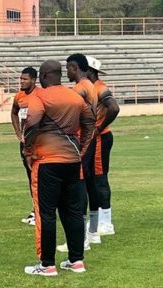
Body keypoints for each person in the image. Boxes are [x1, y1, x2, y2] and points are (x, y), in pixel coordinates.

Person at [23, 60, 95, 276]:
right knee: (73, 212)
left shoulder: (39, 96)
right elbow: (90, 124)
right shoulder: (75, 96)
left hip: (47, 162)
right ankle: (76, 261)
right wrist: (81, 151)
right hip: (72, 162)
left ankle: (47, 265)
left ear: (44, 76)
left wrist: (28, 151)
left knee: (46, 213)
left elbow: (32, 123)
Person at [57, 53, 98, 252]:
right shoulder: (90, 85)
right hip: (87, 139)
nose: (67, 71)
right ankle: (86, 236)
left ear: (75, 67)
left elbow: (69, 112)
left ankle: (80, 239)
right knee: (81, 186)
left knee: (76, 188)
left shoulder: (80, 88)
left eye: (68, 68)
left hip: (80, 141)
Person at [86, 55, 120, 236]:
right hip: (93, 139)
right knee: (91, 180)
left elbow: (114, 108)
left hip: (100, 139)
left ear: (89, 71)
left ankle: (106, 223)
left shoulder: (100, 88)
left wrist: (99, 127)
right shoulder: (91, 88)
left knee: (100, 180)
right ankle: (97, 220)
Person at [10, 67, 41, 225]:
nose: (21, 81)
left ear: (34, 80)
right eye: (20, 79)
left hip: (39, 144)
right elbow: (14, 112)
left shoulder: (40, 95)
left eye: (25, 79)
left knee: (40, 177)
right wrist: (18, 133)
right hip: (24, 144)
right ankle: (36, 209)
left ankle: (41, 211)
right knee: (31, 178)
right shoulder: (19, 96)